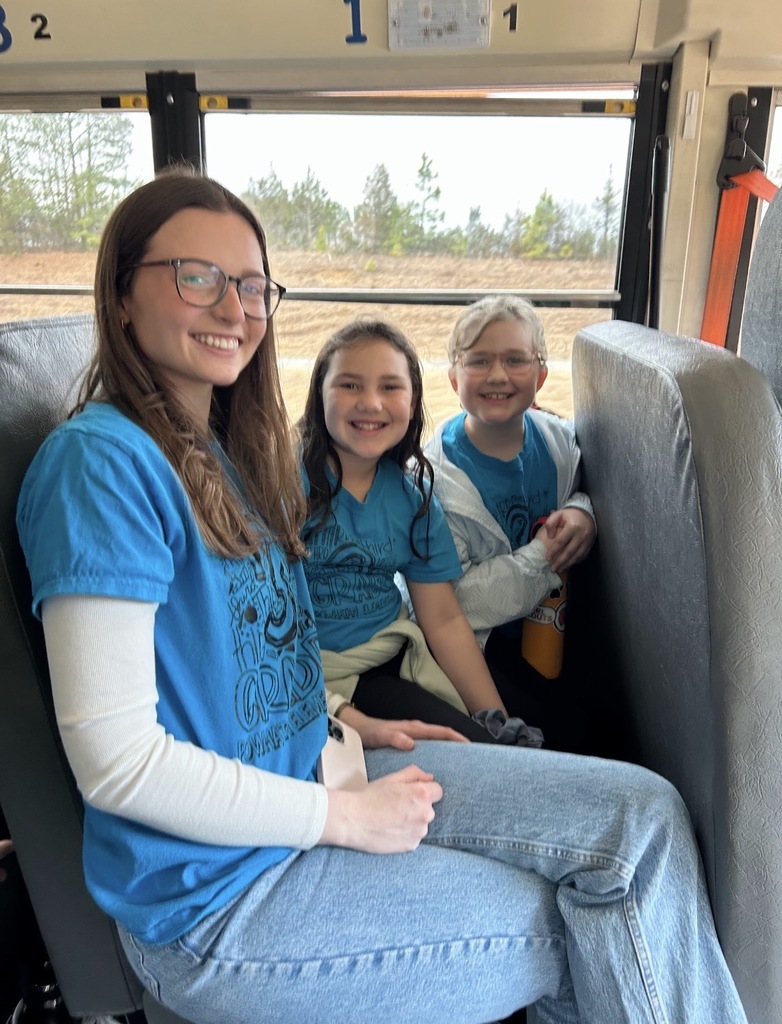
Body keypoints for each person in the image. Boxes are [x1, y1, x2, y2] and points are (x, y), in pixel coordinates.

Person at [16, 169, 748, 1024]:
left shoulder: (222, 455)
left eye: (251, 285)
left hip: (323, 768)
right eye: (196, 276)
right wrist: (338, 816)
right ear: (122, 293)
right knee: (596, 920)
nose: (233, 308)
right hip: (221, 898)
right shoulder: (102, 465)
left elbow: (246, 661)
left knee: (644, 817)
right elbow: (120, 764)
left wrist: (345, 724)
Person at [298, 317, 532, 745]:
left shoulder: (413, 500)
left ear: (413, 400)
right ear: (319, 394)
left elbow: (442, 620)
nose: (371, 403)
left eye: (390, 387)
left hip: (392, 654)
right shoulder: (282, 485)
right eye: (350, 385)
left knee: (534, 730)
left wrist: (493, 719)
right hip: (315, 671)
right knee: (468, 748)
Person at [425, 296, 597, 751]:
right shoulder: (434, 481)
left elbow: (581, 491)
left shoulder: (560, 443)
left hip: (551, 631)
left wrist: (583, 513)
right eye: (478, 361)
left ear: (540, 376)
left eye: (515, 360)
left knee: (592, 727)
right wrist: (544, 553)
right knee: (553, 739)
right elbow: (458, 602)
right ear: (453, 378)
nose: (498, 375)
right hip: (481, 650)